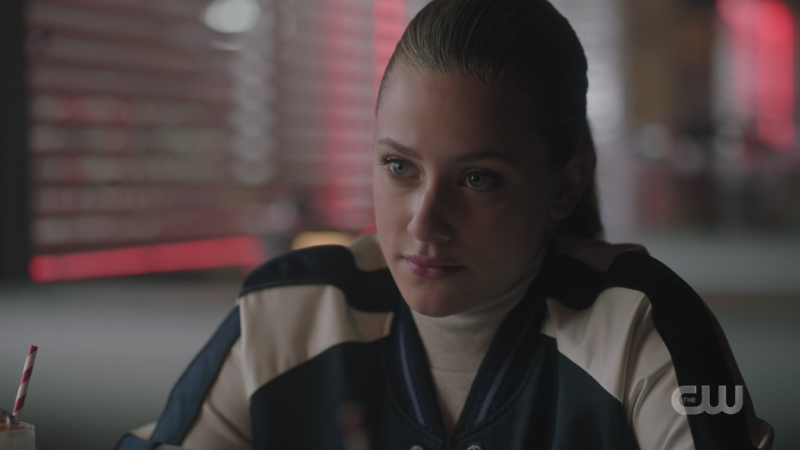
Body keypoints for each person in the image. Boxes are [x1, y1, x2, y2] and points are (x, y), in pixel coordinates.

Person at [116, 0, 774, 448]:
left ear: (565, 185)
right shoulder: (285, 315)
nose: (425, 223)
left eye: (478, 178)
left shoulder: (645, 328)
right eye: (399, 167)